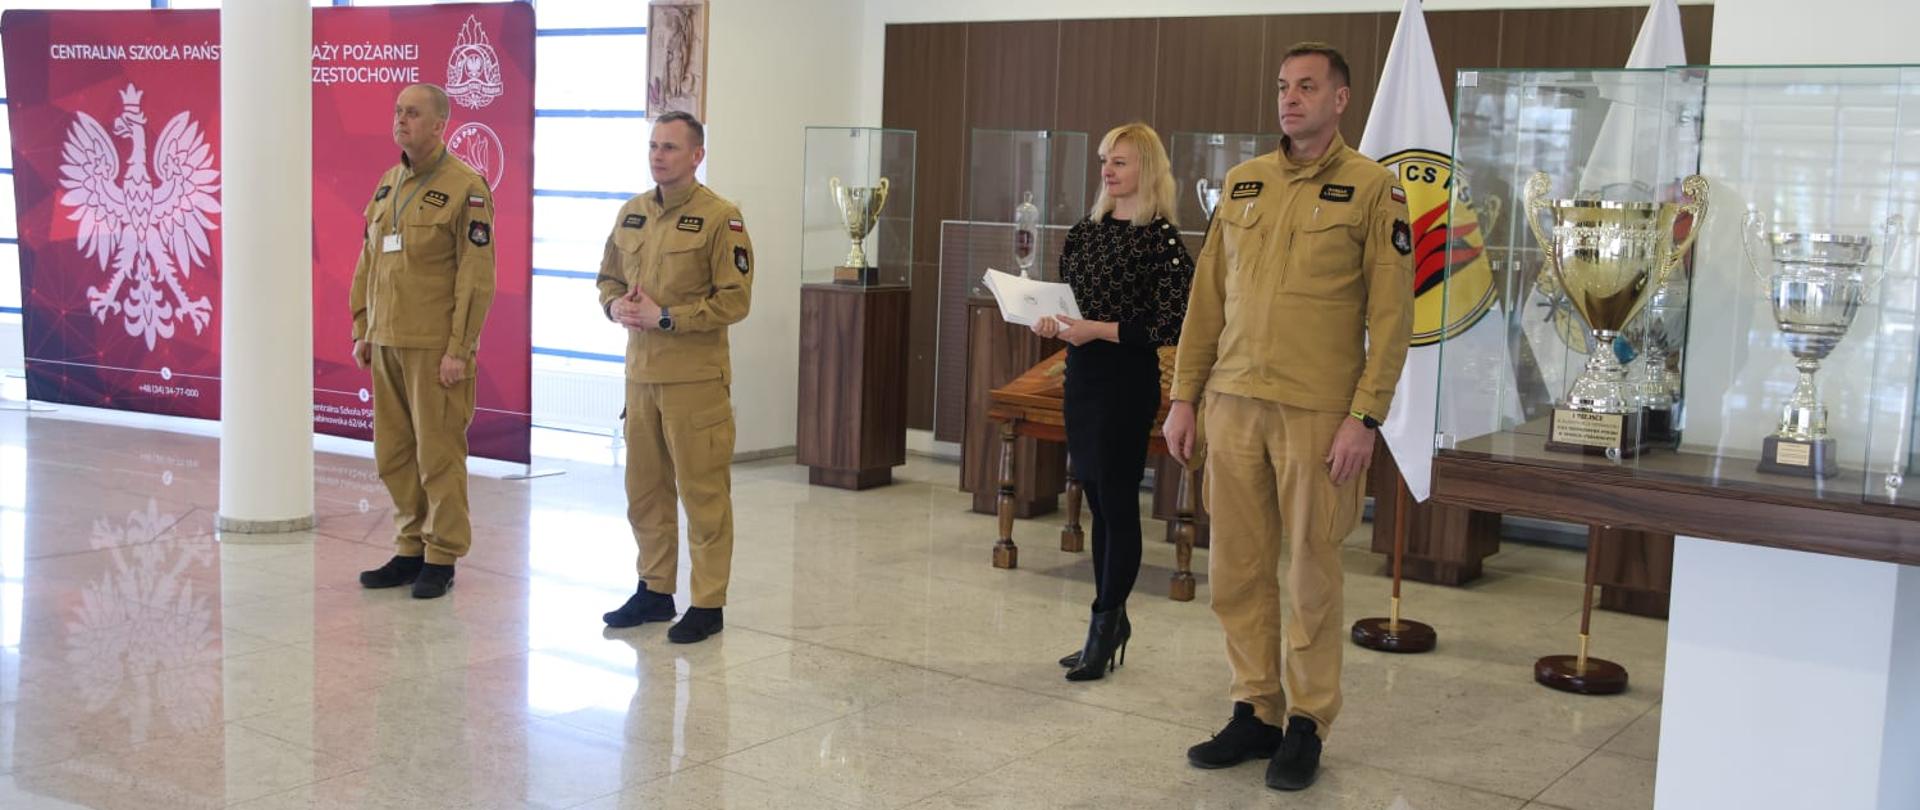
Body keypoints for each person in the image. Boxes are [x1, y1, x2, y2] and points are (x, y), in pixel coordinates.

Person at [1163, 42, 1413, 791]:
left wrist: (1365, 416)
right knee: (1235, 570)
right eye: (1282, 86)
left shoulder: (1373, 189)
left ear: (1340, 99)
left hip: (1317, 412)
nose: (1290, 98)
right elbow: (1207, 301)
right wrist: (1184, 396)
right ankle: (1255, 709)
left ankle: (1306, 722)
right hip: (1233, 403)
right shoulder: (1244, 183)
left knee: (1311, 573)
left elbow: (1392, 314)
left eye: (1306, 86)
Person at [1033, 122, 1193, 682]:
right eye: (1105, 159)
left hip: (1127, 383)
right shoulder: (1085, 232)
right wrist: (1050, 321)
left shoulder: (1162, 241)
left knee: (1118, 502)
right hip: (1082, 378)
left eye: (1120, 161)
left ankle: (1103, 626)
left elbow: (1171, 324)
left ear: (1147, 169)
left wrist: (1095, 330)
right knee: (1097, 499)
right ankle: (1110, 621)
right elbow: (1069, 304)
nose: (1108, 169)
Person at [594, 111, 754, 644]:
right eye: (653, 146)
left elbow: (735, 300)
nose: (658, 156)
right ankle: (655, 590)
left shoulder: (721, 219)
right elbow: (607, 279)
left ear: (696, 155)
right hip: (641, 378)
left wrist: (666, 317)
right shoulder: (633, 213)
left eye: (670, 147)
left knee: (703, 495)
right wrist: (615, 307)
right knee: (645, 492)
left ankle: (707, 603)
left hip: (695, 382)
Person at [352, 83, 496, 600]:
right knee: (393, 452)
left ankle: (441, 555)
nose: (401, 120)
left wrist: (460, 347)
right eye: (398, 112)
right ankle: (409, 547)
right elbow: (369, 261)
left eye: (412, 113)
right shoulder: (389, 183)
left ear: (439, 124)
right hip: (387, 340)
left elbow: (476, 275)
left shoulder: (466, 188)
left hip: (435, 347)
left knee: (438, 454)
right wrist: (363, 326)